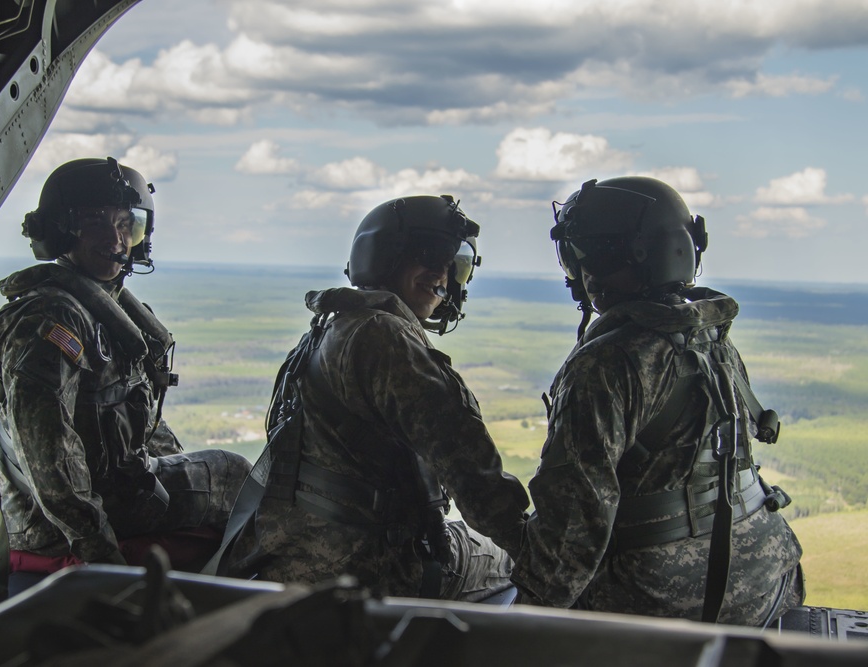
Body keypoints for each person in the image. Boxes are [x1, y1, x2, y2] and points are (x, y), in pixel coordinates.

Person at [511, 176, 804, 625]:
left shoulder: (606, 363)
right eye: (576, 257)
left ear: (638, 254)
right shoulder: (711, 337)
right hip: (770, 578)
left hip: (664, 601)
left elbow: (571, 531)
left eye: (592, 255)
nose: (586, 274)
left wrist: (520, 622)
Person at [223, 195, 529, 600]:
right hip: (372, 568)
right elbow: (472, 475)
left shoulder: (333, 325)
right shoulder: (387, 337)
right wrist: (538, 546)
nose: (441, 273)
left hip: (293, 551)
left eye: (454, 264)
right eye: (428, 255)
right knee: (505, 560)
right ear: (387, 256)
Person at [0, 157, 251, 583]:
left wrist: (171, 465)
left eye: (126, 224)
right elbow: (48, 457)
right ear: (60, 230)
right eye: (95, 221)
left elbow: (138, 421)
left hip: (107, 489)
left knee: (227, 473)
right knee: (236, 475)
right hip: (57, 525)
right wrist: (103, 557)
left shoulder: (102, 307)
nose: (115, 238)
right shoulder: (51, 319)